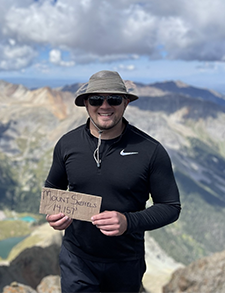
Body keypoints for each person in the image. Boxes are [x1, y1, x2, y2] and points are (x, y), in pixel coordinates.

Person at [44, 70, 181, 293]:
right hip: (77, 259)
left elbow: (170, 207)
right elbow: (53, 189)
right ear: (86, 103)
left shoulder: (150, 150)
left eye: (114, 99)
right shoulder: (67, 144)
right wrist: (53, 215)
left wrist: (128, 222)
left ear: (125, 103)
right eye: (97, 99)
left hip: (126, 262)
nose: (105, 106)